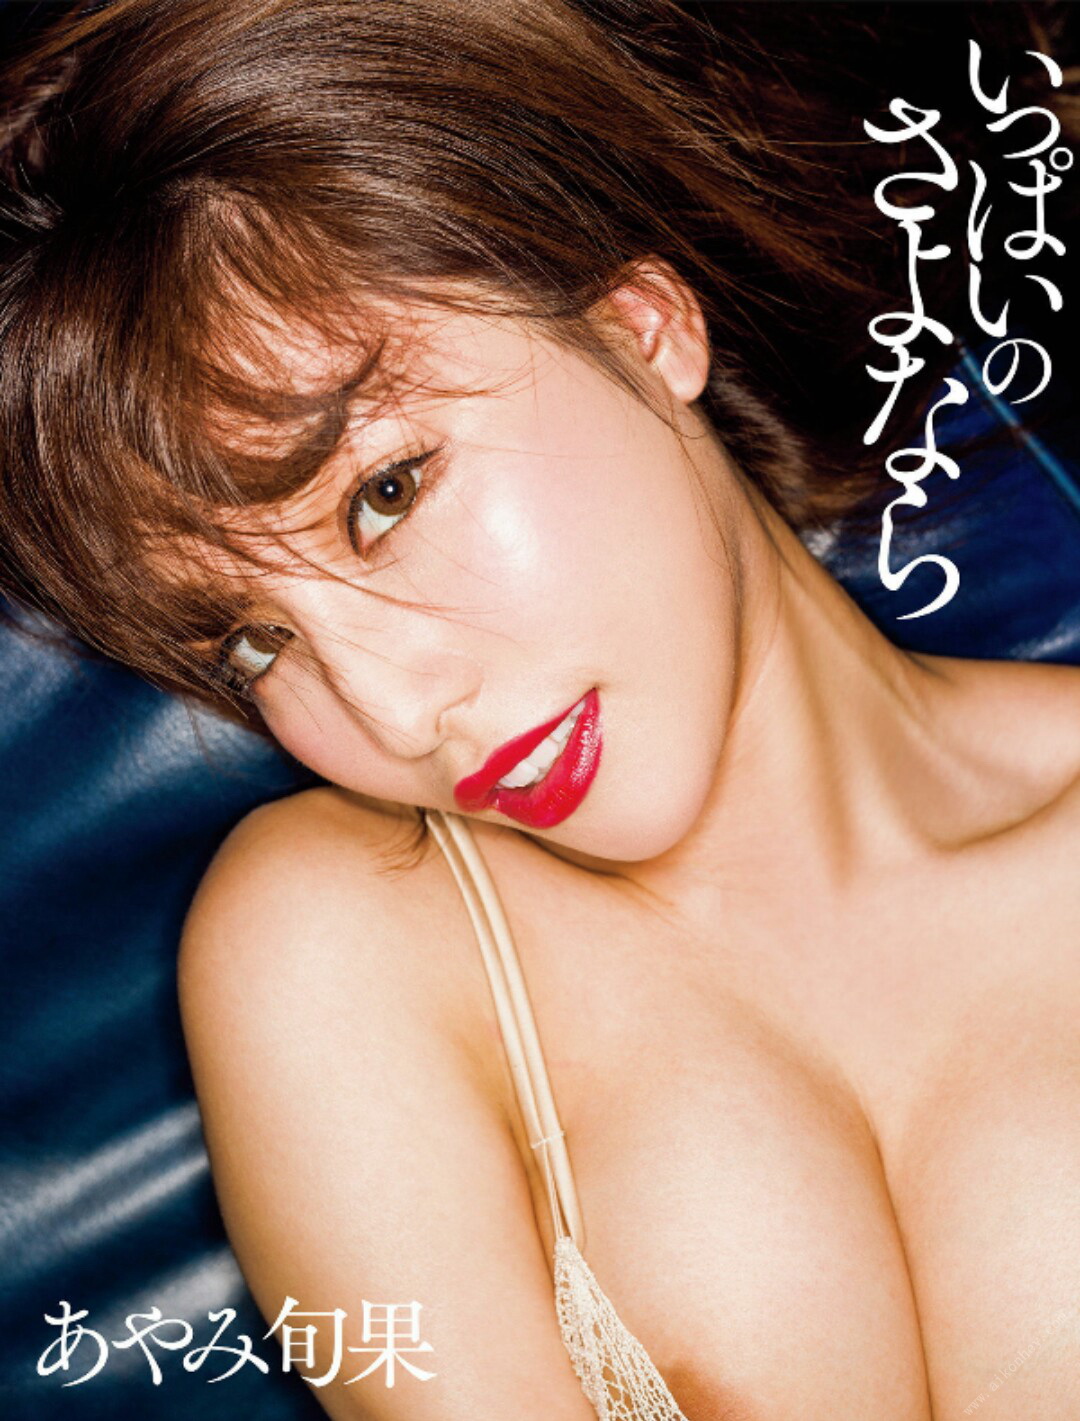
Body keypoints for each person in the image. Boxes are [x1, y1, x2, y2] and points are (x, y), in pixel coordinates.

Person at [1, 1, 1078, 1417]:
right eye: (257, 644)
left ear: (641, 325)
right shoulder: (341, 948)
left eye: (384, 494)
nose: (395, 712)